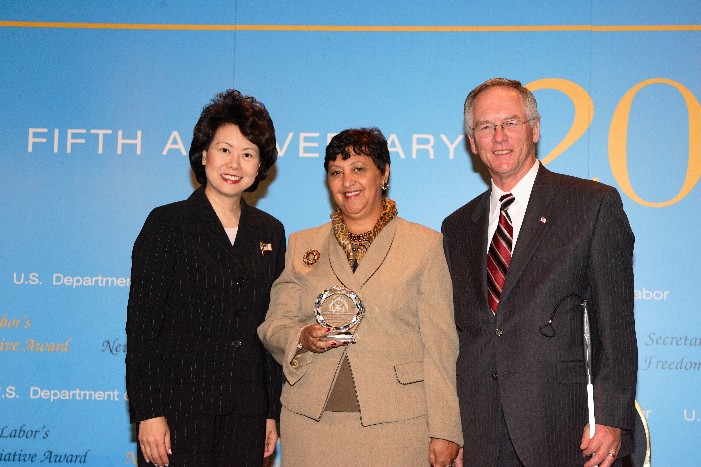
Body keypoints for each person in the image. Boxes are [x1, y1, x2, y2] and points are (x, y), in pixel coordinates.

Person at [442, 78, 637, 467]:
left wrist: (612, 417)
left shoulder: (591, 205)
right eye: (485, 126)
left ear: (535, 129)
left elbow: (615, 325)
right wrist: (454, 429)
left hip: (565, 428)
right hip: (481, 432)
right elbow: (460, 335)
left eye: (510, 122)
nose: (499, 136)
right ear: (472, 141)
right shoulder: (457, 226)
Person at [258, 128, 463, 466]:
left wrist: (446, 429)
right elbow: (273, 326)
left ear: (384, 173)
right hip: (310, 425)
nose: (346, 181)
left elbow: (441, 345)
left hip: (398, 427)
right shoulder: (302, 245)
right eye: (336, 172)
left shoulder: (425, 246)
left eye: (358, 168)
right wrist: (302, 337)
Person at [125, 89, 285, 466]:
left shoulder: (270, 231)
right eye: (224, 149)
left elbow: (269, 327)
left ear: (260, 165)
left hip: (246, 414)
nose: (235, 163)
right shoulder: (167, 224)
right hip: (178, 413)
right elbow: (143, 327)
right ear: (203, 154)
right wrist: (148, 413)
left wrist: (270, 412)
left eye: (248, 153)